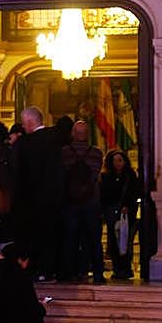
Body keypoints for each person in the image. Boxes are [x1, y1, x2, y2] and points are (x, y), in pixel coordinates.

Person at [13, 106, 64, 281]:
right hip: (55, 199)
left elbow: (17, 174)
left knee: (34, 237)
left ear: (28, 122)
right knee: (52, 235)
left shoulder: (24, 144)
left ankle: (37, 270)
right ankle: (52, 270)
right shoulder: (57, 140)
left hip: (30, 202)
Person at [60, 120, 105, 283]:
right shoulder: (97, 153)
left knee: (70, 239)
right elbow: (95, 175)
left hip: (70, 202)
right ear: (87, 135)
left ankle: (69, 273)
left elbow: (61, 177)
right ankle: (98, 273)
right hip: (91, 201)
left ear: (73, 134)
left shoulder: (64, 153)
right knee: (94, 239)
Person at [101, 150, 141, 279]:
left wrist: (128, 206)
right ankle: (117, 269)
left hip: (127, 214)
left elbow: (134, 193)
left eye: (120, 160)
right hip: (111, 213)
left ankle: (126, 269)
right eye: (114, 161)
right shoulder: (106, 177)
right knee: (114, 242)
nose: (117, 164)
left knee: (126, 241)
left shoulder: (130, 175)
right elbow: (105, 195)